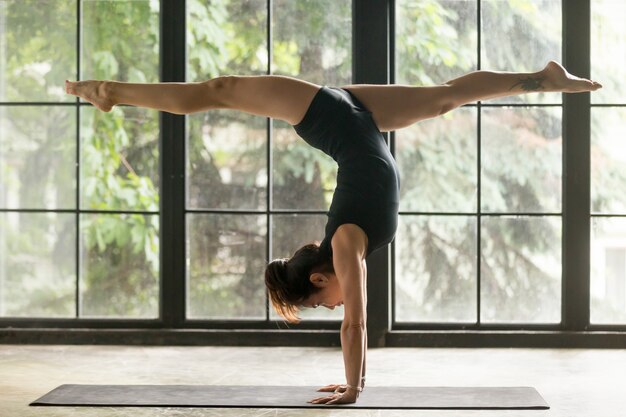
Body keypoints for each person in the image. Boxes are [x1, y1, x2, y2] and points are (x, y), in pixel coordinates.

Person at [65, 60, 601, 405]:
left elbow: (356, 325)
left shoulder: (345, 242)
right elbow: (355, 319)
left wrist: (354, 387)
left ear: (321, 276)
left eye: (323, 301)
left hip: (328, 116)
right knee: (445, 97)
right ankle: (541, 79)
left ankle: (110, 90)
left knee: (219, 91)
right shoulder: (349, 241)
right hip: (357, 116)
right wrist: (356, 382)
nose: (334, 305)